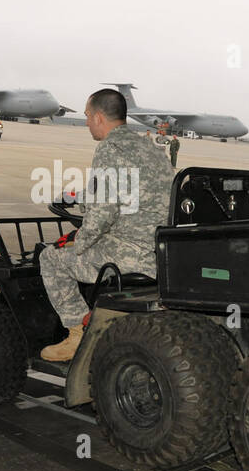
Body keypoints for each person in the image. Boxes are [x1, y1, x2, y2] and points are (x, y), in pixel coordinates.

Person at [39, 88, 173, 361]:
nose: (87, 122)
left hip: (128, 255)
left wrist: (80, 242)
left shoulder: (110, 148)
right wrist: (79, 197)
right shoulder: (151, 147)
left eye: (88, 116)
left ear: (99, 117)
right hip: (160, 252)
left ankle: (76, 335)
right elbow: (129, 194)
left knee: (51, 258)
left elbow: (102, 214)